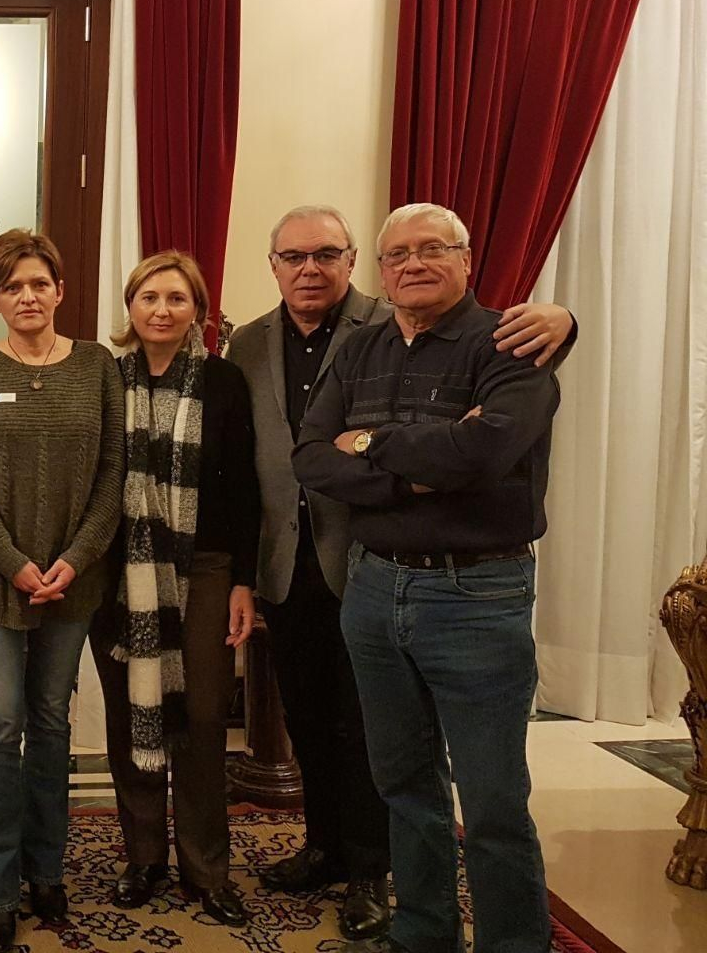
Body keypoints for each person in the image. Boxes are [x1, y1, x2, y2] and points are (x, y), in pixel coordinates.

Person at [228, 205, 573, 941]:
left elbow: (485, 455)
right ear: (382, 269)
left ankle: (515, 941)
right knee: (404, 784)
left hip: (475, 593)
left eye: (432, 250)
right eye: (400, 254)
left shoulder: (511, 341)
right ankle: (422, 931)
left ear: (467, 258)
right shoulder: (360, 351)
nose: (414, 264)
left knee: (490, 801)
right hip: (375, 587)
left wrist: (373, 444)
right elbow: (313, 456)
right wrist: (418, 466)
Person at [0, 229, 125, 951]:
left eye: (38, 283)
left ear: (60, 290)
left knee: (51, 724)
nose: (27, 296)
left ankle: (47, 871)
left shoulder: (97, 367)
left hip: (73, 583)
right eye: (12, 285)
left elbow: (113, 473)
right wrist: (14, 562)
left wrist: (74, 560)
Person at [88, 251, 261, 927]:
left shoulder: (223, 382)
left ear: (198, 310)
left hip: (207, 569)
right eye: (149, 297)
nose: (161, 309)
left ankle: (206, 869)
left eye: (176, 298)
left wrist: (245, 579)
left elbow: (245, 490)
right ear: (130, 307)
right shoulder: (104, 377)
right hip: (117, 574)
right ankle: (143, 859)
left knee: (204, 717)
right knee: (131, 713)